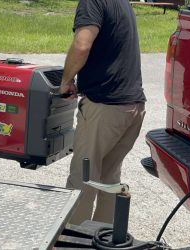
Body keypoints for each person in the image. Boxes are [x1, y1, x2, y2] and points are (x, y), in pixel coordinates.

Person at [60, 0, 146, 225]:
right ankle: (105, 237)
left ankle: (73, 240)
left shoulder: (92, 2)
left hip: (105, 107)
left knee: (83, 177)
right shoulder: (122, 2)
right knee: (109, 177)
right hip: (133, 106)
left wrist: (66, 81)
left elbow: (82, 44)